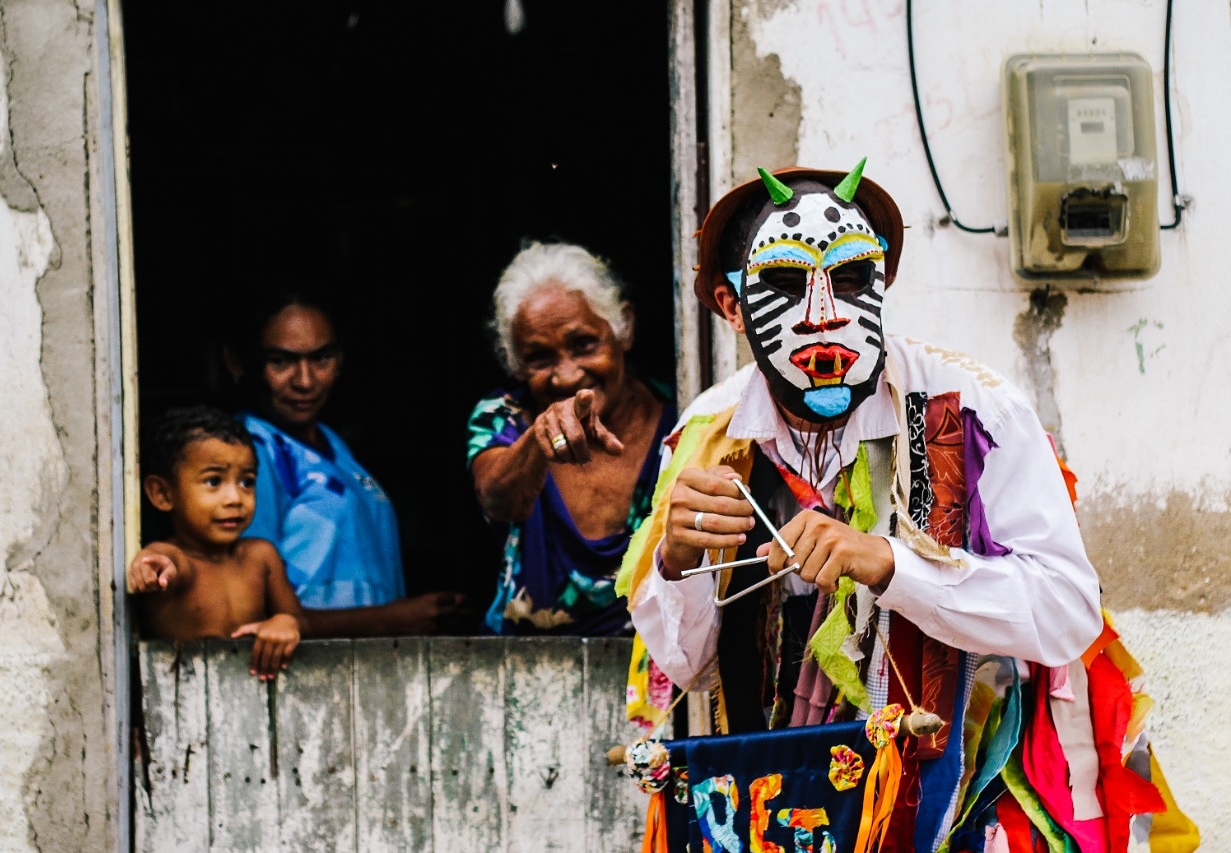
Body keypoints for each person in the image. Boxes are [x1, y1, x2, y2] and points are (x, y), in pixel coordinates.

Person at [620, 161, 1178, 849]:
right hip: (790, 808)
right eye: (786, 283)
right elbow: (690, 668)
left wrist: (893, 567)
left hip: (965, 804)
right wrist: (677, 566)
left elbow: (1067, 612)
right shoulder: (708, 435)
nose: (824, 312)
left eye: (852, 276)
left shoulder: (972, 411)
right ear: (732, 306)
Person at [222, 290, 474, 637]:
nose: (305, 381)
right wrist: (389, 620)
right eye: (281, 361)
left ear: (340, 358)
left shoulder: (333, 445)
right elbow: (246, 610)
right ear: (238, 362)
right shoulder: (247, 452)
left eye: (321, 358)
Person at [467, 240, 677, 637]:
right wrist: (537, 439)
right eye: (540, 358)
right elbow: (496, 498)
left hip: (654, 679)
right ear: (514, 363)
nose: (566, 376)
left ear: (624, 328)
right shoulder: (503, 416)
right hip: (523, 672)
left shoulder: (682, 419)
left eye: (584, 344)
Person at [129, 404, 305, 680]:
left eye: (246, 482)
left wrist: (285, 622)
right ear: (162, 494)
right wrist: (152, 567)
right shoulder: (179, 560)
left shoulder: (260, 557)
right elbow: (164, 561)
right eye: (213, 481)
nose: (235, 498)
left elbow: (303, 622)